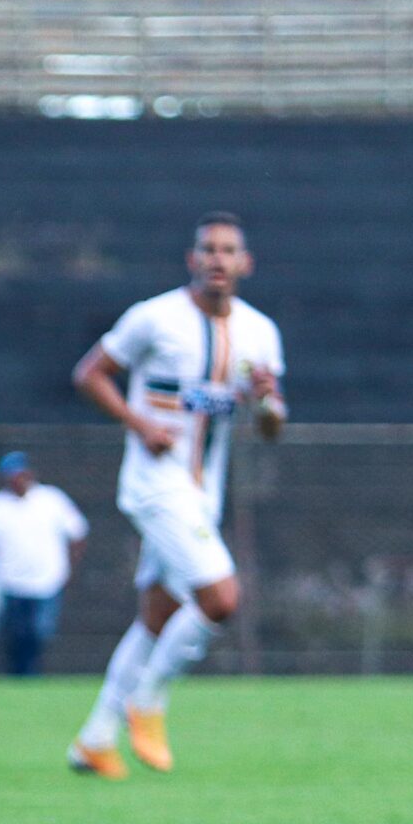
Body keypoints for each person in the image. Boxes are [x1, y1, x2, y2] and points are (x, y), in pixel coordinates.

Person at [65, 212, 286, 778]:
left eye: (228, 250)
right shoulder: (154, 318)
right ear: (192, 260)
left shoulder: (260, 333)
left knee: (157, 617)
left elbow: (270, 426)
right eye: (208, 249)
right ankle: (149, 700)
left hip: (201, 493)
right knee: (221, 599)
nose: (218, 259)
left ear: (245, 264)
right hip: (155, 487)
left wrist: (265, 402)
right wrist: (140, 425)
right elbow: (89, 373)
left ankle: (94, 740)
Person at [0, 451, 87, 676]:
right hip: (10, 582)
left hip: (47, 581)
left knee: (40, 633)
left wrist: (70, 567)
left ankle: (32, 673)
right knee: (14, 634)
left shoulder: (51, 500)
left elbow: (77, 532)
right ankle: (18, 675)